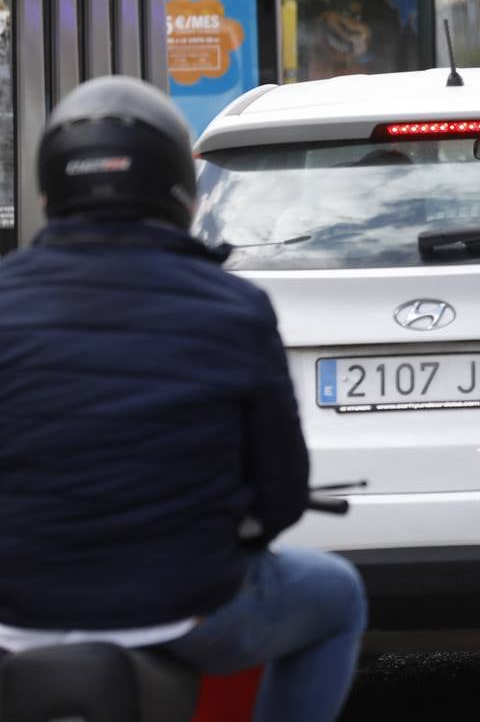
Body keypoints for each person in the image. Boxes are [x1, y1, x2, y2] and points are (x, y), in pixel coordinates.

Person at [0, 77, 366, 721]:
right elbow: (281, 494)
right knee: (338, 597)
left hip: (14, 620)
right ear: (181, 192)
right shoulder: (234, 306)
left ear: (46, 190)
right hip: (182, 611)